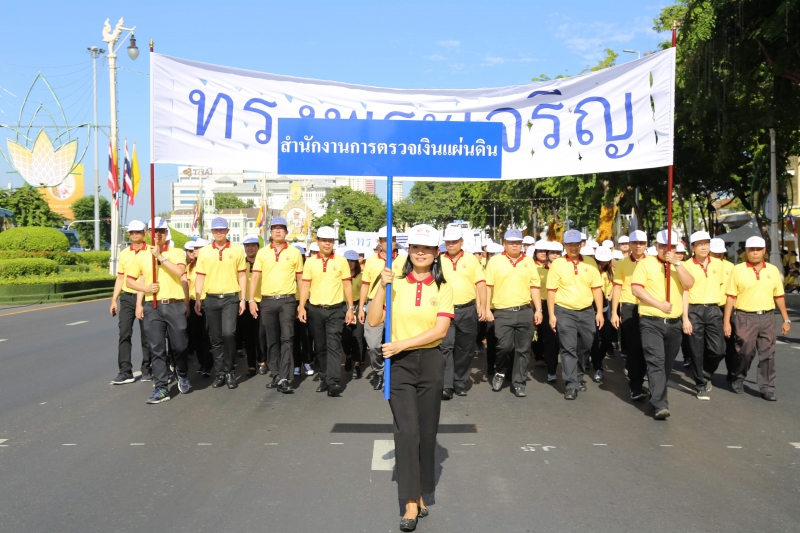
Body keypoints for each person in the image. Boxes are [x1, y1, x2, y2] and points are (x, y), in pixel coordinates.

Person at [367, 224, 453, 532]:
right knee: (407, 431)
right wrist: (381, 287)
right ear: (407, 250)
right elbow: (374, 319)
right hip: (399, 365)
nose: (420, 252)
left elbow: (440, 331)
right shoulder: (395, 282)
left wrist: (402, 342)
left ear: (435, 253)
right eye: (415, 246)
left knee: (427, 432)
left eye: (427, 248)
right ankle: (409, 503)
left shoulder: (443, 287)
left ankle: (420, 488)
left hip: (430, 362)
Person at [631, 230, 695, 420]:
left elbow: (689, 284)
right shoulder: (645, 263)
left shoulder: (679, 266)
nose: (667, 250)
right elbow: (636, 288)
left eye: (672, 247)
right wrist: (658, 304)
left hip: (674, 324)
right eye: (663, 247)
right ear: (656, 247)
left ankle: (655, 393)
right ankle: (660, 404)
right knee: (656, 361)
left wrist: (676, 262)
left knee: (666, 365)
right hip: (651, 321)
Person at [126, 217, 190, 404]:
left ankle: (182, 372)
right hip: (152, 306)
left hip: (174, 304)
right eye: (154, 230)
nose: (158, 234)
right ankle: (161, 388)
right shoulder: (142, 255)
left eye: (161, 230)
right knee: (156, 348)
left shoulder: (177, 252)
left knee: (180, 345)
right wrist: (145, 290)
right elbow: (130, 280)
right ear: (148, 233)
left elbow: (179, 272)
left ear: (166, 233)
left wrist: (160, 257)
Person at [723, 236, 790, 401]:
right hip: (745, 317)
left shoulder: (773, 270)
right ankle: (738, 376)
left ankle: (767, 387)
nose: (755, 252)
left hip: (767, 317)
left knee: (768, 354)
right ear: (746, 251)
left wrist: (786, 319)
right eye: (751, 249)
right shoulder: (738, 270)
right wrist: (726, 322)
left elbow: (779, 295)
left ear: (764, 251)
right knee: (744, 351)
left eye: (758, 249)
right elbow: (731, 296)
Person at [249, 217, 304, 393]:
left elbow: (301, 279)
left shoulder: (294, 252)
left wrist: (301, 304)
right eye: (274, 228)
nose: (278, 231)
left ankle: (285, 377)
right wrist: (251, 300)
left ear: (286, 232)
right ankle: (276, 374)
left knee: (287, 337)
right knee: (271, 340)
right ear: (270, 233)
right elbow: (255, 277)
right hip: (267, 301)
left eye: (281, 228)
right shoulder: (263, 252)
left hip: (287, 300)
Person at [485, 228, 542, 397]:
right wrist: (487, 308)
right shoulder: (495, 261)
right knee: (504, 346)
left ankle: (519, 382)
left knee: (523, 349)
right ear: (504, 243)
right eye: (511, 242)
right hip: (503, 312)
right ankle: (501, 370)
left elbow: (535, 286)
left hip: (524, 310)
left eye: (518, 242)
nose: (515, 245)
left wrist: (538, 309)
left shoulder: (529, 262)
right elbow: (488, 286)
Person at [547, 229, 604, 400]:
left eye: (576, 244)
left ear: (581, 245)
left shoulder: (590, 263)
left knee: (585, 344)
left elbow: (597, 289)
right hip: (564, 311)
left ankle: (579, 375)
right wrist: (551, 315)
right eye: (569, 244)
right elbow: (551, 291)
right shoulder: (558, 264)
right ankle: (571, 384)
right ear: (564, 246)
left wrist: (599, 312)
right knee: (568, 347)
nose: (573, 247)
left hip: (586, 312)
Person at [298, 226, 355, 397]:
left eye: (330, 241)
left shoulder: (341, 261)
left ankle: (333, 382)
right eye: (324, 240)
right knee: (320, 346)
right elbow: (305, 285)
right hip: (315, 309)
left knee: (333, 346)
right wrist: (301, 306)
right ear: (318, 242)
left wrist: (350, 308)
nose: (327, 244)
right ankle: (324, 376)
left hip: (336, 310)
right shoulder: (310, 262)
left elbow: (347, 284)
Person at [194, 217, 247, 390]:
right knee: (215, 338)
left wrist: (243, 298)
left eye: (222, 230)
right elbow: (200, 276)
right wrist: (197, 298)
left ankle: (230, 370)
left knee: (229, 333)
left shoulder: (237, 250)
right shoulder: (205, 252)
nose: (219, 233)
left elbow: (241, 275)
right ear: (211, 232)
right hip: (211, 298)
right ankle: (221, 373)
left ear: (227, 231)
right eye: (216, 230)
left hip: (231, 297)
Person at [440, 226, 486, 399]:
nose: (451, 245)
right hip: (446, 310)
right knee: (446, 346)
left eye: (454, 241)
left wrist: (483, 306)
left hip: (468, 309)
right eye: (448, 242)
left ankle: (460, 383)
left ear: (461, 242)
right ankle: (447, 385)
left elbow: (480, 283)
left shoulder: (472, 260)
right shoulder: (438, 260)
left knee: (465, 348)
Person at [681, 231, 726, 400]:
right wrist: (685, 318)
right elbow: (684, 292)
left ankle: (705, 373)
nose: (703, 247)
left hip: (714, 309)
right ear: (692, 248)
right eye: (699, 244)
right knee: (696, 349)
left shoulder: (718, 264)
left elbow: (720, 285)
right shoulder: (686, 266)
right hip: (694, 309)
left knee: (718, 350)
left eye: (706, 243)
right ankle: (700, 384)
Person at [359, 226, 403, 392]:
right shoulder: (371, 261)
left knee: (397, 342)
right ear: (379, 242)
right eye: (385, 239)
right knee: (373, 344)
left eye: (392, 239)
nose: (389, 242)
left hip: (396, 305)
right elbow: (365, 285)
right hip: (374, 305)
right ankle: (379, 371)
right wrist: (361, 308)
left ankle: (394, 374)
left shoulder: (405, 260)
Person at [110, 220, 152, 384]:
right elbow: (120, 278)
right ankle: (125, 371)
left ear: (144, 233)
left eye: (138, 232)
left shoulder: (150, 251)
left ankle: (147, 369)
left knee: (147, 334)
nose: (135, 235)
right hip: (127, 297)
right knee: (124, 333)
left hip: (146, 296)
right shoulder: (124, 253)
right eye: (132, 232)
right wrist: (114, 300)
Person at [611, 230, 649, 401]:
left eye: (641, 243)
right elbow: (617, 287)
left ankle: (648, 382)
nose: (638, 246)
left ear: (646, 244)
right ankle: (635, 386)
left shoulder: (654, 262)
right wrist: (614, 312)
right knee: (634, 349)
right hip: (629, 307)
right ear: (630, 245)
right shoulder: (622, 263)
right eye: (635, 243)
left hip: (650, 308)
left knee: (649, 348)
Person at [184, 239, 213, 376]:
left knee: (208, 335)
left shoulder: (211, 265)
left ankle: (208, 364)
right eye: (194, 248)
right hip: (192, 302)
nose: (195, 250)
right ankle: (202, 363)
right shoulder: (189, 266)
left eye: (199, 248)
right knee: (196, 335)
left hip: (207, 301)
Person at [238, 235, 265, 378]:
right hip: (244, 302)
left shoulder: (263, 263)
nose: (250, 248)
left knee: (261, 334)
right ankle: (251, 365)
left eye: (253, 245)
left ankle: (262, 361)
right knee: (248, 335)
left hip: (261, 301)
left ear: (258, 247)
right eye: (247, 246)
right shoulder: (241, 263)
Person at [532, 240, 559, 380]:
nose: (543, 253)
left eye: (557, 253)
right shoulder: (535, 268)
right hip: (540, 304)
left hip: (559, 304)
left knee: (555, 338)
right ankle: (547, 365)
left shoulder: (561, 268)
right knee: (541, 334)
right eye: (540, 251)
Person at [590, 246, 615, 383]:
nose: (604, 263)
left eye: (606, 261)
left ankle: (597, 358)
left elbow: (613, 287)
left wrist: (610, 297)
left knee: (606, 339)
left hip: (604, 308)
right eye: (601, 261)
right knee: (594, 340)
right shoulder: (590, 271)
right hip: (589, 308)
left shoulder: (609, 272)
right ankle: (598, 367)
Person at [342, 249, 366, 379]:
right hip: (343, 307)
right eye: (347, 261)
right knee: (345, 337)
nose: (350, 263)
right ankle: (348, 355)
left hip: (358, 307)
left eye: (352, 261)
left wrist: (361, 309)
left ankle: (357, 363)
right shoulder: (339, 277)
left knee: (357, 336)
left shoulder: (361, 277)